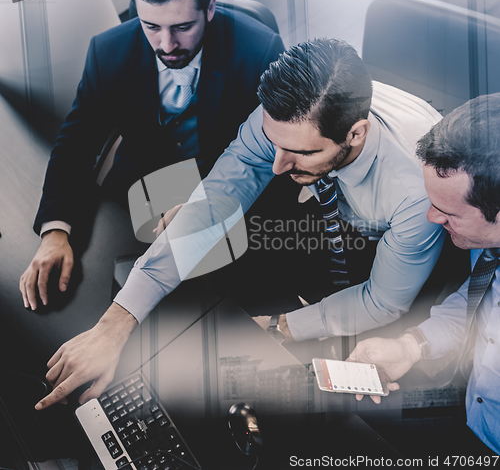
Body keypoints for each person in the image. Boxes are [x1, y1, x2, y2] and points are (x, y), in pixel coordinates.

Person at [34, 37, 445, 410]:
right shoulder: (289, 116)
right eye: (273, 143)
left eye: (298, 153)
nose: (278, 165)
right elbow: (214, 202)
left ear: (355, 134)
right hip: (321, 215)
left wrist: (282, 326)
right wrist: (114, 324)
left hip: (405, 256)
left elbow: (384, 300)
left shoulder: (417, 188)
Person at [19, 0, 284, 310]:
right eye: (151, 27)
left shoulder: (260, 52)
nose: (166, 45)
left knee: (210, 311)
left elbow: (275, 155)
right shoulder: (107, 52)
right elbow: (76, 143)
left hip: (224, 193)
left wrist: (211, 207)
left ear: (211, 7)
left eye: (182, 27)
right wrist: (55, 231)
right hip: (137, 195)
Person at [348, 93, 500, 455]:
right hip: (478, 423)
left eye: (447, 211)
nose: (433, 218)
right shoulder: (484, 237)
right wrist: (410, 346)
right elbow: (480, 295)